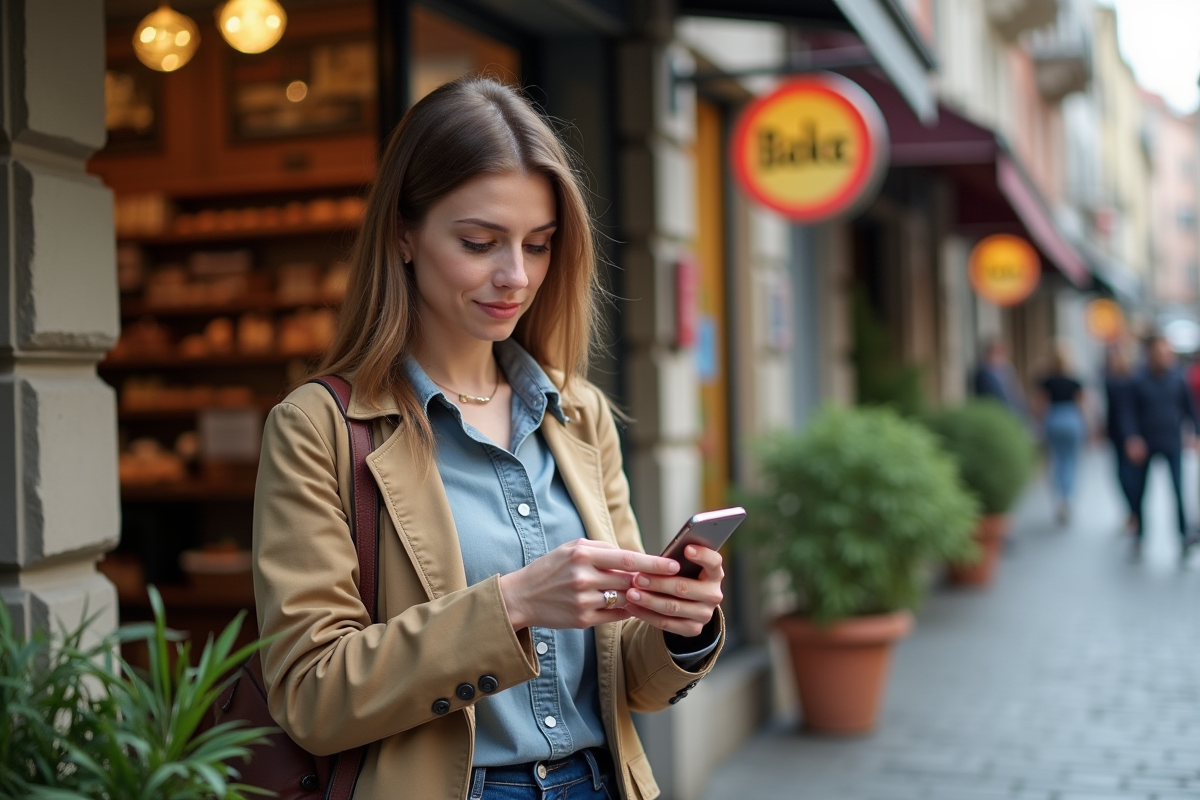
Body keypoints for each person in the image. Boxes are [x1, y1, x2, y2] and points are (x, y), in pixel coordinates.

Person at [251, 77, 726, 800]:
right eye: (479, 243)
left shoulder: (580, 412)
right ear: (403, 235)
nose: (515, 277)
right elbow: (312, 694)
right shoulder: (319, 427)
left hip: (602, 781)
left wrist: (679, 627)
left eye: (537, 246)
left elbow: (629, 681)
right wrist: (511, 604)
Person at [1123, 334, 1200, 559]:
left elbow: (1189, 408)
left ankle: (1183, 535)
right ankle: (1139, 535)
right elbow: (1129, 413)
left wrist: (1196, 433)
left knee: (1177, 489)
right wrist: (1132, 437)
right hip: (1145, 442)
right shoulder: (1138, 380)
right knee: (1140, 490)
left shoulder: (1177, 379)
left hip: (1171, 440)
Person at [1035, 346, 1086, 525]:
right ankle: (1067, 498)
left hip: (1054, 419)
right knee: (1070, 461)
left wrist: (1039, 425)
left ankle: (1059, 500)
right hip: (1071, 419)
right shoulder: (1075, 380)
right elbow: (1082, 405)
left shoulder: (1046, 381)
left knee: (1057, 461)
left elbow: (1041, 405)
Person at [1103, 345, 1138, 530]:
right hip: (1117, 434)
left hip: (1128, 435)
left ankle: (1134, 511)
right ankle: (1132, 511)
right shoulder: (1111, 381)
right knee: (1122, 474)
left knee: (1127, 474)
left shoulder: (1130, 381)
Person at [973, 338, 1029, 421]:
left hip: (1013, 412)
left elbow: (1015, 391)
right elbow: (994, 396)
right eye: (998, 352)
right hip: (997, 413)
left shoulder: (1007, 369)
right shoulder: (984, 372)